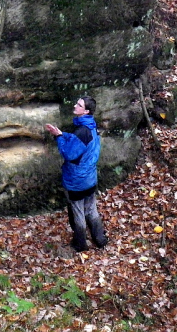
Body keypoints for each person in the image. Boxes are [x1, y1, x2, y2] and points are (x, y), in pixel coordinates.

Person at [45, 96, 108, 251]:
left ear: (85, 110)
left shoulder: (82, 131)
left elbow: (68, 153)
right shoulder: (91, 126)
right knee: (91, 209)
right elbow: (77, 141)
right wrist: (62, 134)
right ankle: (100, 239)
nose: (75, 105)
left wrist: (59, 137)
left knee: (78, 212)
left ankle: (80, 243)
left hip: (76, 181)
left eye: (79, 105)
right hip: (90, 179)